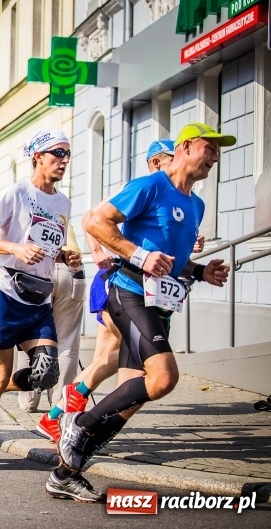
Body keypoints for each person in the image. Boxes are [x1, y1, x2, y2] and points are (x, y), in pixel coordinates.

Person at [50, 124, 232, 503]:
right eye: (209, 148)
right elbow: (96, 221)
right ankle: (77, 422)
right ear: (185, 147)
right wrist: (139, 255)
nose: (215, 157)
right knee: (164, 378)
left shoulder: (195, 204)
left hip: (160, 302)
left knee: (131, 400)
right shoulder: (149, 185)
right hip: (128, 290)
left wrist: (200, 271)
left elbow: (172, 261)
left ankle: (65, 474)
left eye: (218, 151)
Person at [35, 139, 205, 442]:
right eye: (170, 158)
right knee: (110, 360)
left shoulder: (182, 198)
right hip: (119, 284)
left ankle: (70, 424)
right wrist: (98, 252)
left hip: (153, 293)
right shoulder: (147, 187)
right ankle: (62, 419)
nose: (177, 165)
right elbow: (91, 219)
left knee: (117, 364)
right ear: (156, 162)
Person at [0, 130, 79, 471]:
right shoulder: (16, 193)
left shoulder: (64, 203)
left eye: (68, 154)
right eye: (57, 153)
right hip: (6, 294)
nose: (64, 160)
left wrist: (64, 257)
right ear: (37, 156)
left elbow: (45, 250)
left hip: (39, 297)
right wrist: (14, 248)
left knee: (46, 371)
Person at [13, 224, 85, 415]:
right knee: (67, 342)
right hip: (72, 268)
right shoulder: (60, 208)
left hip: (39, 271)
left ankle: (28, 400)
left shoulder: (28, 211)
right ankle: (60, 404)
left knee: (28, 337)